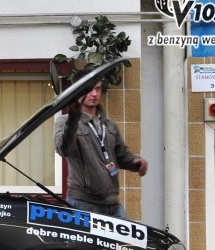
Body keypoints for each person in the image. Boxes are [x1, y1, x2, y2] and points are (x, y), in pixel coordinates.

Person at [53, 69, 148, 219]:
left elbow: (121, 156)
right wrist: (74, 117)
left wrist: (135, 161)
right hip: (83, 203)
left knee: (130, 235)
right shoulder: (64, 121)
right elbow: (63, 149)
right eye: (89, 89)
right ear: (77, 92)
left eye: (97, 88)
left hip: (112, 203)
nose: (94, 94)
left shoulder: (109, 123)